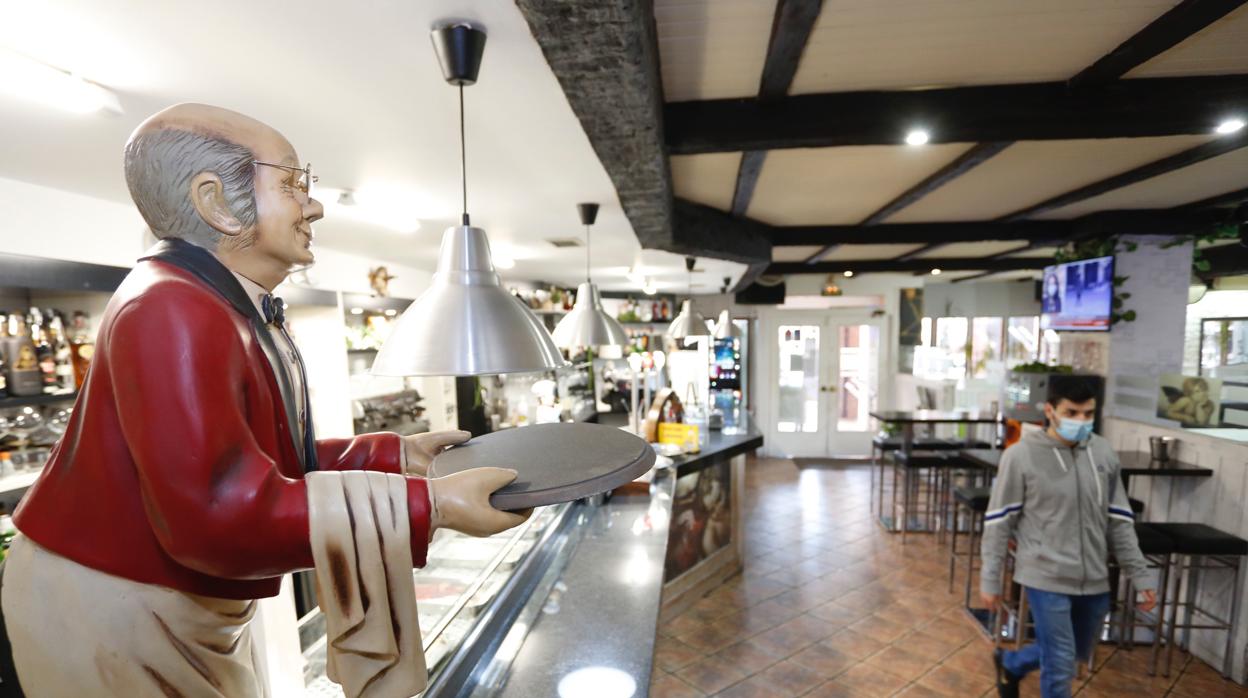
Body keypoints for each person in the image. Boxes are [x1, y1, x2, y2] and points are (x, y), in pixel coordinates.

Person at [0, 104, 528, 697]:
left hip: (161, 604)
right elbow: (216, 513)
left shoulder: (218, 304)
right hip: (110, 608)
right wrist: (433, 506)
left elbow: (258, 460)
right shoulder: (170, 310)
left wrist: (396, 456)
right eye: (293, 183)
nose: (315, 204)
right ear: (216, 203)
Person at [980, 377, 1157, 698]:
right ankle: (1016, 664)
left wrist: (1140, 574)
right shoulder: (1020, 456)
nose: (1081, 421)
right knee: (1060, 662)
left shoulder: (1103, 453)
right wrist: (990, 579)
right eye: (1072, 413)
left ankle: (1012, 663)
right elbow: (998, 522)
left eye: (1088, 414)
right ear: (1050, 411)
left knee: (1073, 652)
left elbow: (1119, 521)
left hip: (1094, 577)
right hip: (1044, 574)